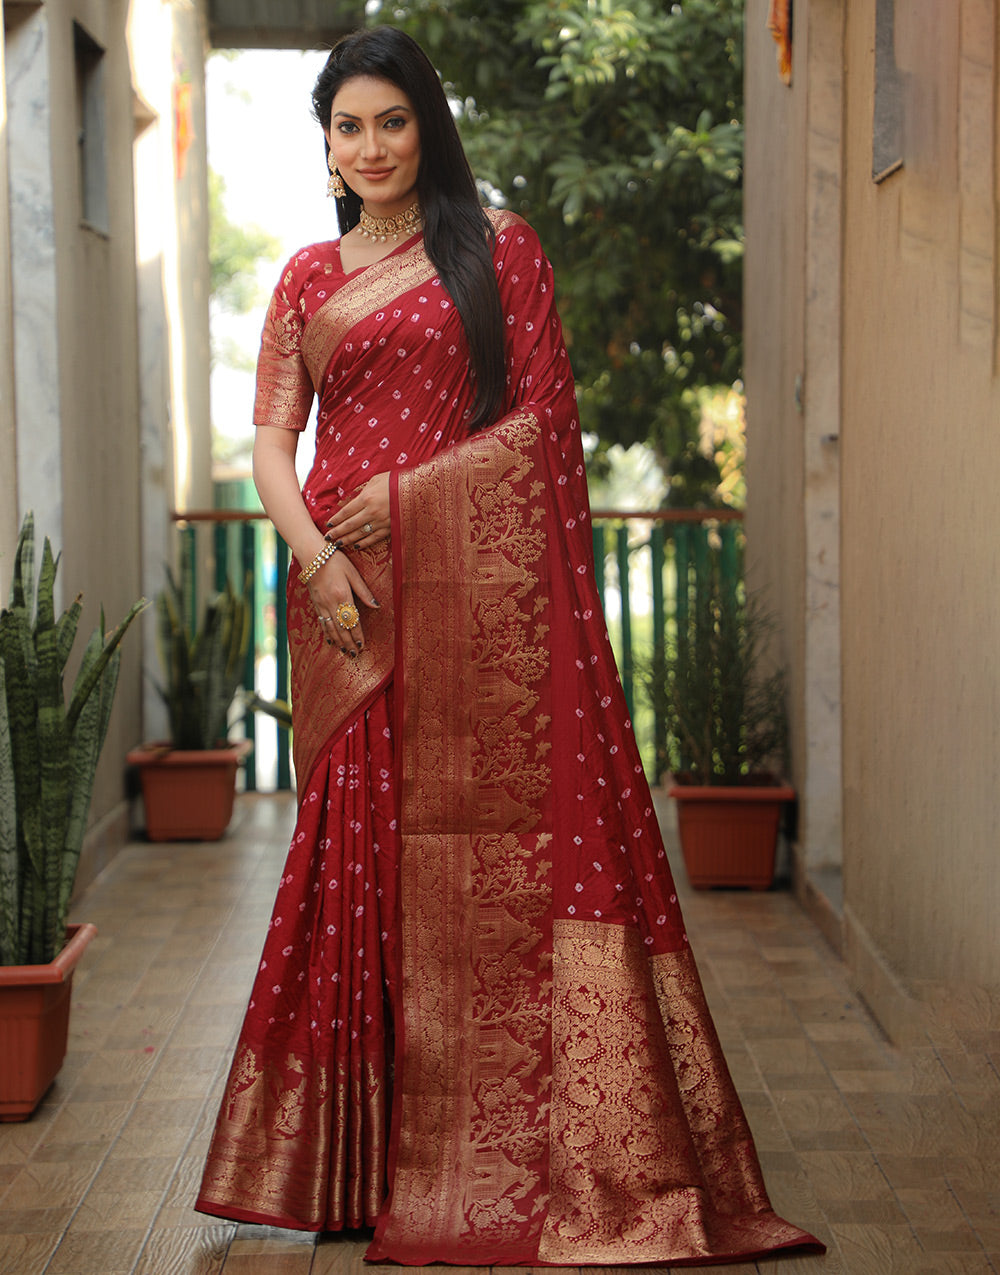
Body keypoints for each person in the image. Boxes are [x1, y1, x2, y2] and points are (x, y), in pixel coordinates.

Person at [196, 26, 824, 1267]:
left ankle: (489, 1160)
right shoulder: (307, 280)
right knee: (357, 862)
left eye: (391, 121)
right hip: (347, 604)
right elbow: (274, 438)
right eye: (346, 127)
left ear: (427, 125)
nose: (370, 147)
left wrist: (413, 497)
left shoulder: (499, 253)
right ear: (324, 143)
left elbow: (543, 429)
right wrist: (318, 555)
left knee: (486, 873)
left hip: (476, 610)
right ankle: (358, 1164)